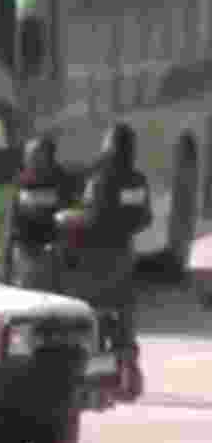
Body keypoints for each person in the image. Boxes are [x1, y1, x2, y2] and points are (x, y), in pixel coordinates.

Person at [63, 122, 152, 402]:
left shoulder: (100, 179)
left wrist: (68, 218)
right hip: (124, 253)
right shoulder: (137, 180)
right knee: (124, 308)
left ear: (110, 146)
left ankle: (95, 374)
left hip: (96, 255)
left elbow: (92, 216)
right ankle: (127, 363)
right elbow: (143, 217)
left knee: (90, 309)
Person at [3, 134, 74, 288]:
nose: (29, 158)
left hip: (52, 255)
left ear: (48, 156)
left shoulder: (61, 182)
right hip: (25, 252)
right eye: (28, 154)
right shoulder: (21, 182)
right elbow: (11, 221)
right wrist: (7, 261)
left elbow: (69, 218)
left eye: (34, 154)